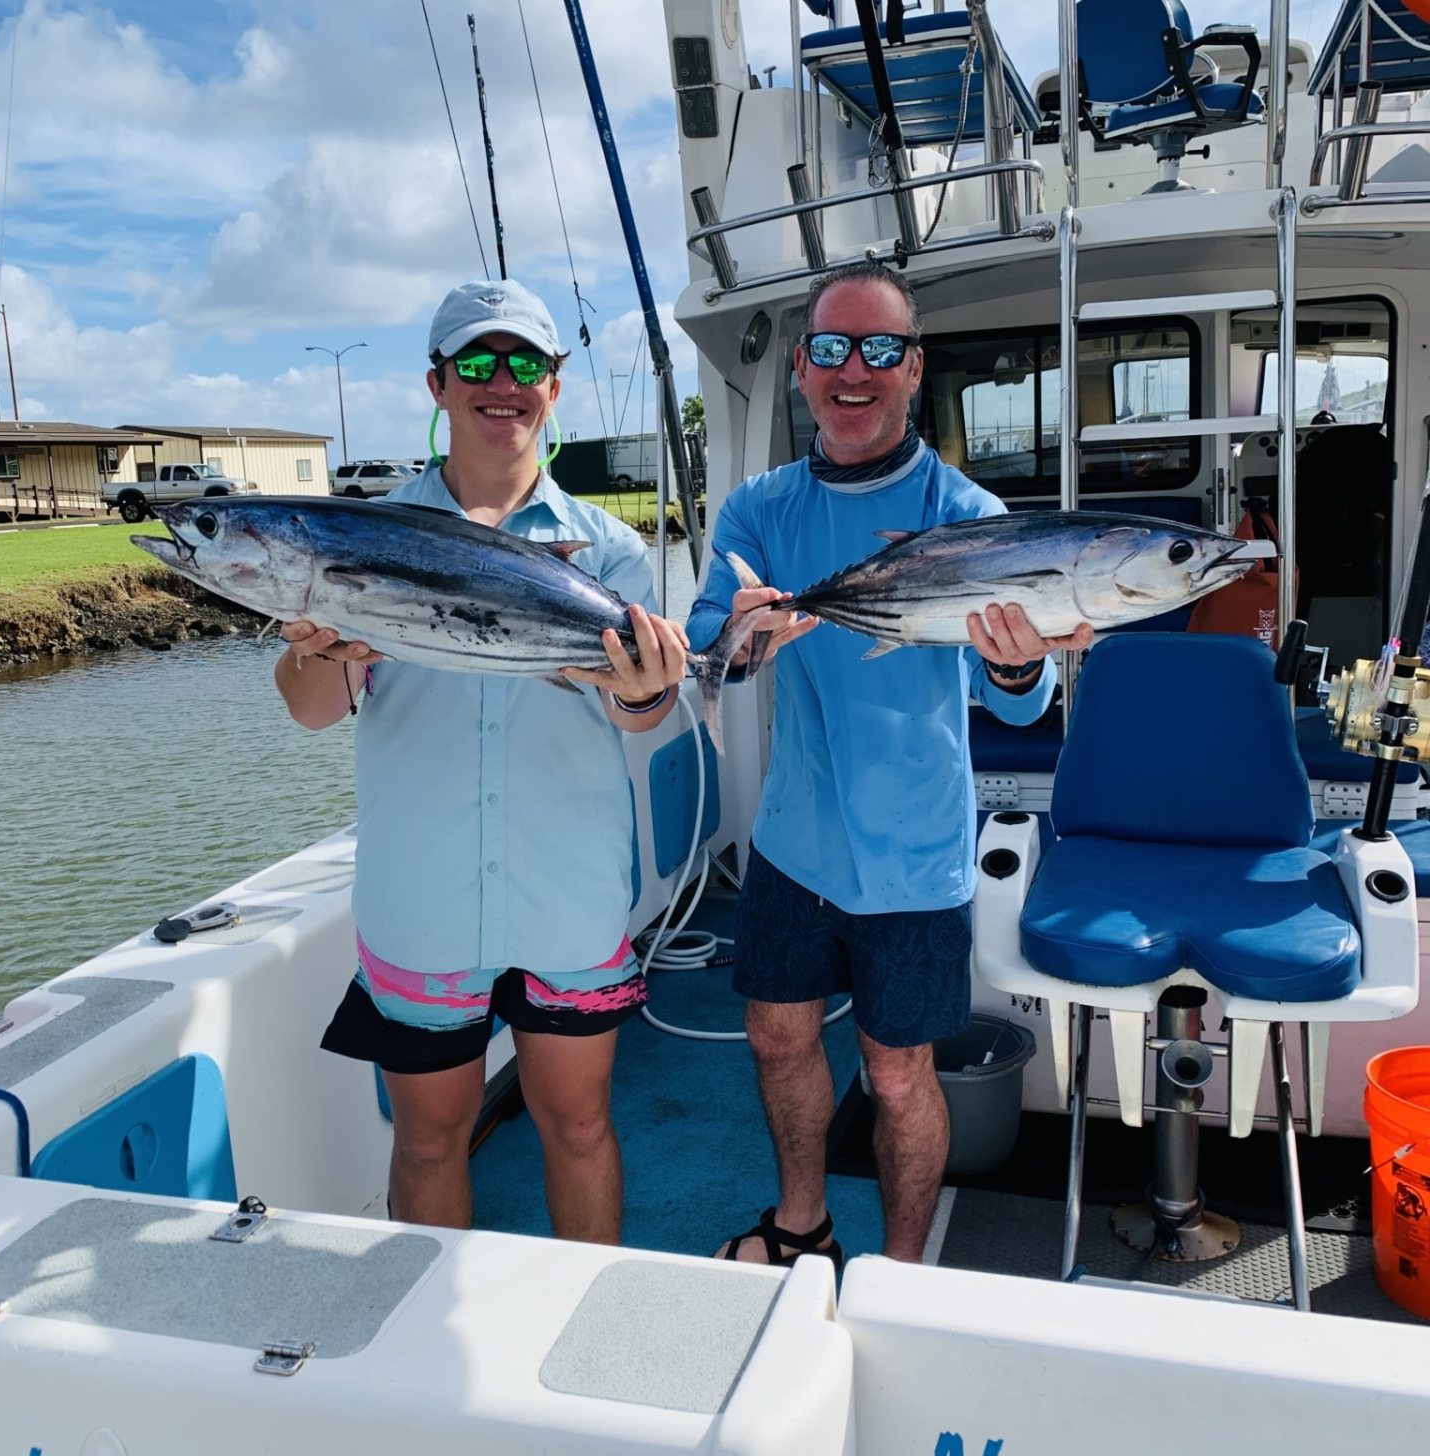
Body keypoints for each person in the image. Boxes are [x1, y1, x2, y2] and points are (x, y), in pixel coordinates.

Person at [686, 260, 1093, 1269]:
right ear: (802, 371)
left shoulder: (969, 515)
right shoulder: (758, 511)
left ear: (913, 369)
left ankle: (902, 1272)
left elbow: (1024, 700)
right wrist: (739, 634)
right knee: (778, 1040)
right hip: (792, 841)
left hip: (914, 856)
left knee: (900, 1071)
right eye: (831, 348)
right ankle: (802, 1225)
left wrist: (1015, 666)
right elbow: (711, 656)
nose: (852, 370)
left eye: (877, 349)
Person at [275, 277, 687, 1236]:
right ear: (436, 384)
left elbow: (642, 716)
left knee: (578, 1125)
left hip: (567, 891)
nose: (501, 383)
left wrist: (647, 686)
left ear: (555, 384)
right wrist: (318, 652)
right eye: (475, 362)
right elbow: (309, 711)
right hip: (423, 895)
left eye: (525, 364)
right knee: (426, 1140)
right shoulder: (358, 540)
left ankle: (585, 1335)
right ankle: (420, 1356)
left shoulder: (608, 550)